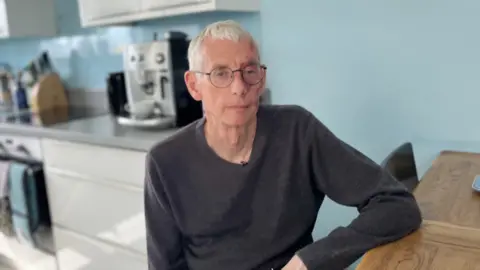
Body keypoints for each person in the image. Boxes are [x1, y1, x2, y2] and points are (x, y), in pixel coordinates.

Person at [144, 20, 422, 270]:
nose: (239, 87)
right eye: (220, 73)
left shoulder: (296, 131)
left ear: (261, 79)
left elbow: (397, 206)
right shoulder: (165, 162)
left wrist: (311, 259)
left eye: (249, 71)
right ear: (194, 85)